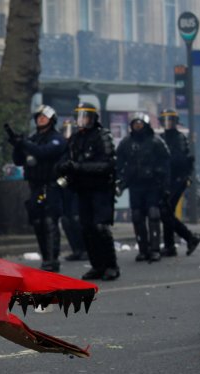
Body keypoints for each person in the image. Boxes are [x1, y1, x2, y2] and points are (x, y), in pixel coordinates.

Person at [57, 103, 120, 281]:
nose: (82, 120)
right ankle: (97, 265)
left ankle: (111, 265)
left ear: (93, 118)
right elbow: (65, 158)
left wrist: (79, 167)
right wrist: (62, 168)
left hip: (101, 189)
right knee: (87, 228)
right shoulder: (75, 138)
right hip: (82, 189)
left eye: (86, 116)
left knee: (101, 227)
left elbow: (107, 165)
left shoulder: (102, 136)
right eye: (80, 116)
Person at [7, 105, 67, 272]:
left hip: (51, 186)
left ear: (52, 119)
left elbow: (44, 153)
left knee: (50, 222)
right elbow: (19, 160)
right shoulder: (33, 139)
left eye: (44, 117)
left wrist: (24, 143)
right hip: (35, 186)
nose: (41, 119)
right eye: (38, 116)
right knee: (38, 223)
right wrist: (17, 146)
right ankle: (45, 258)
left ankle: (53, 259)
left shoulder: (57, 139)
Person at [116, 112, 170, 263]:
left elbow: (166, 163)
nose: (137, 126)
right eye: (135, 123)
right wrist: (120, 179)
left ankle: (154, 249)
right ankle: (143, 249)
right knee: (137, 217)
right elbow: (118, 162)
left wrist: (164, 185)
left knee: (153, 215)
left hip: (152, 184)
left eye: (140, 123)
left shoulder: (156, 142)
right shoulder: (126, 142)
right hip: (135, 185)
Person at [158, 109, 200, 257]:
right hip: (166, 180)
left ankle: (190, 237)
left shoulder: (179, 138)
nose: (168, 123)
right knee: (166, 211)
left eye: (170, 120)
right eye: (165, 120)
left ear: (175, 122)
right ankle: (170, 246)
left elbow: (179, 160)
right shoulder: (161, 137)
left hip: (178, 180)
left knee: (166, 210)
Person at [59, 120, 88, 262]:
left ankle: (85, 249)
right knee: (66, 220)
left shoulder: (80, 146)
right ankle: (76, 249)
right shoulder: (60, 149)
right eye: (65, 131)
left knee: (77, 219)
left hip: (78, 186)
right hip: (65, 187)